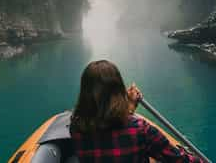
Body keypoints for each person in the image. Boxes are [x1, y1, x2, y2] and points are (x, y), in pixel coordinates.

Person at [70, 60, 203, 163]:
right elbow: (179, 160)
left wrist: (131, 105)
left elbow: (108, 128)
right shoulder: (141, 129)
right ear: (119, 89)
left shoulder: (76, 127)